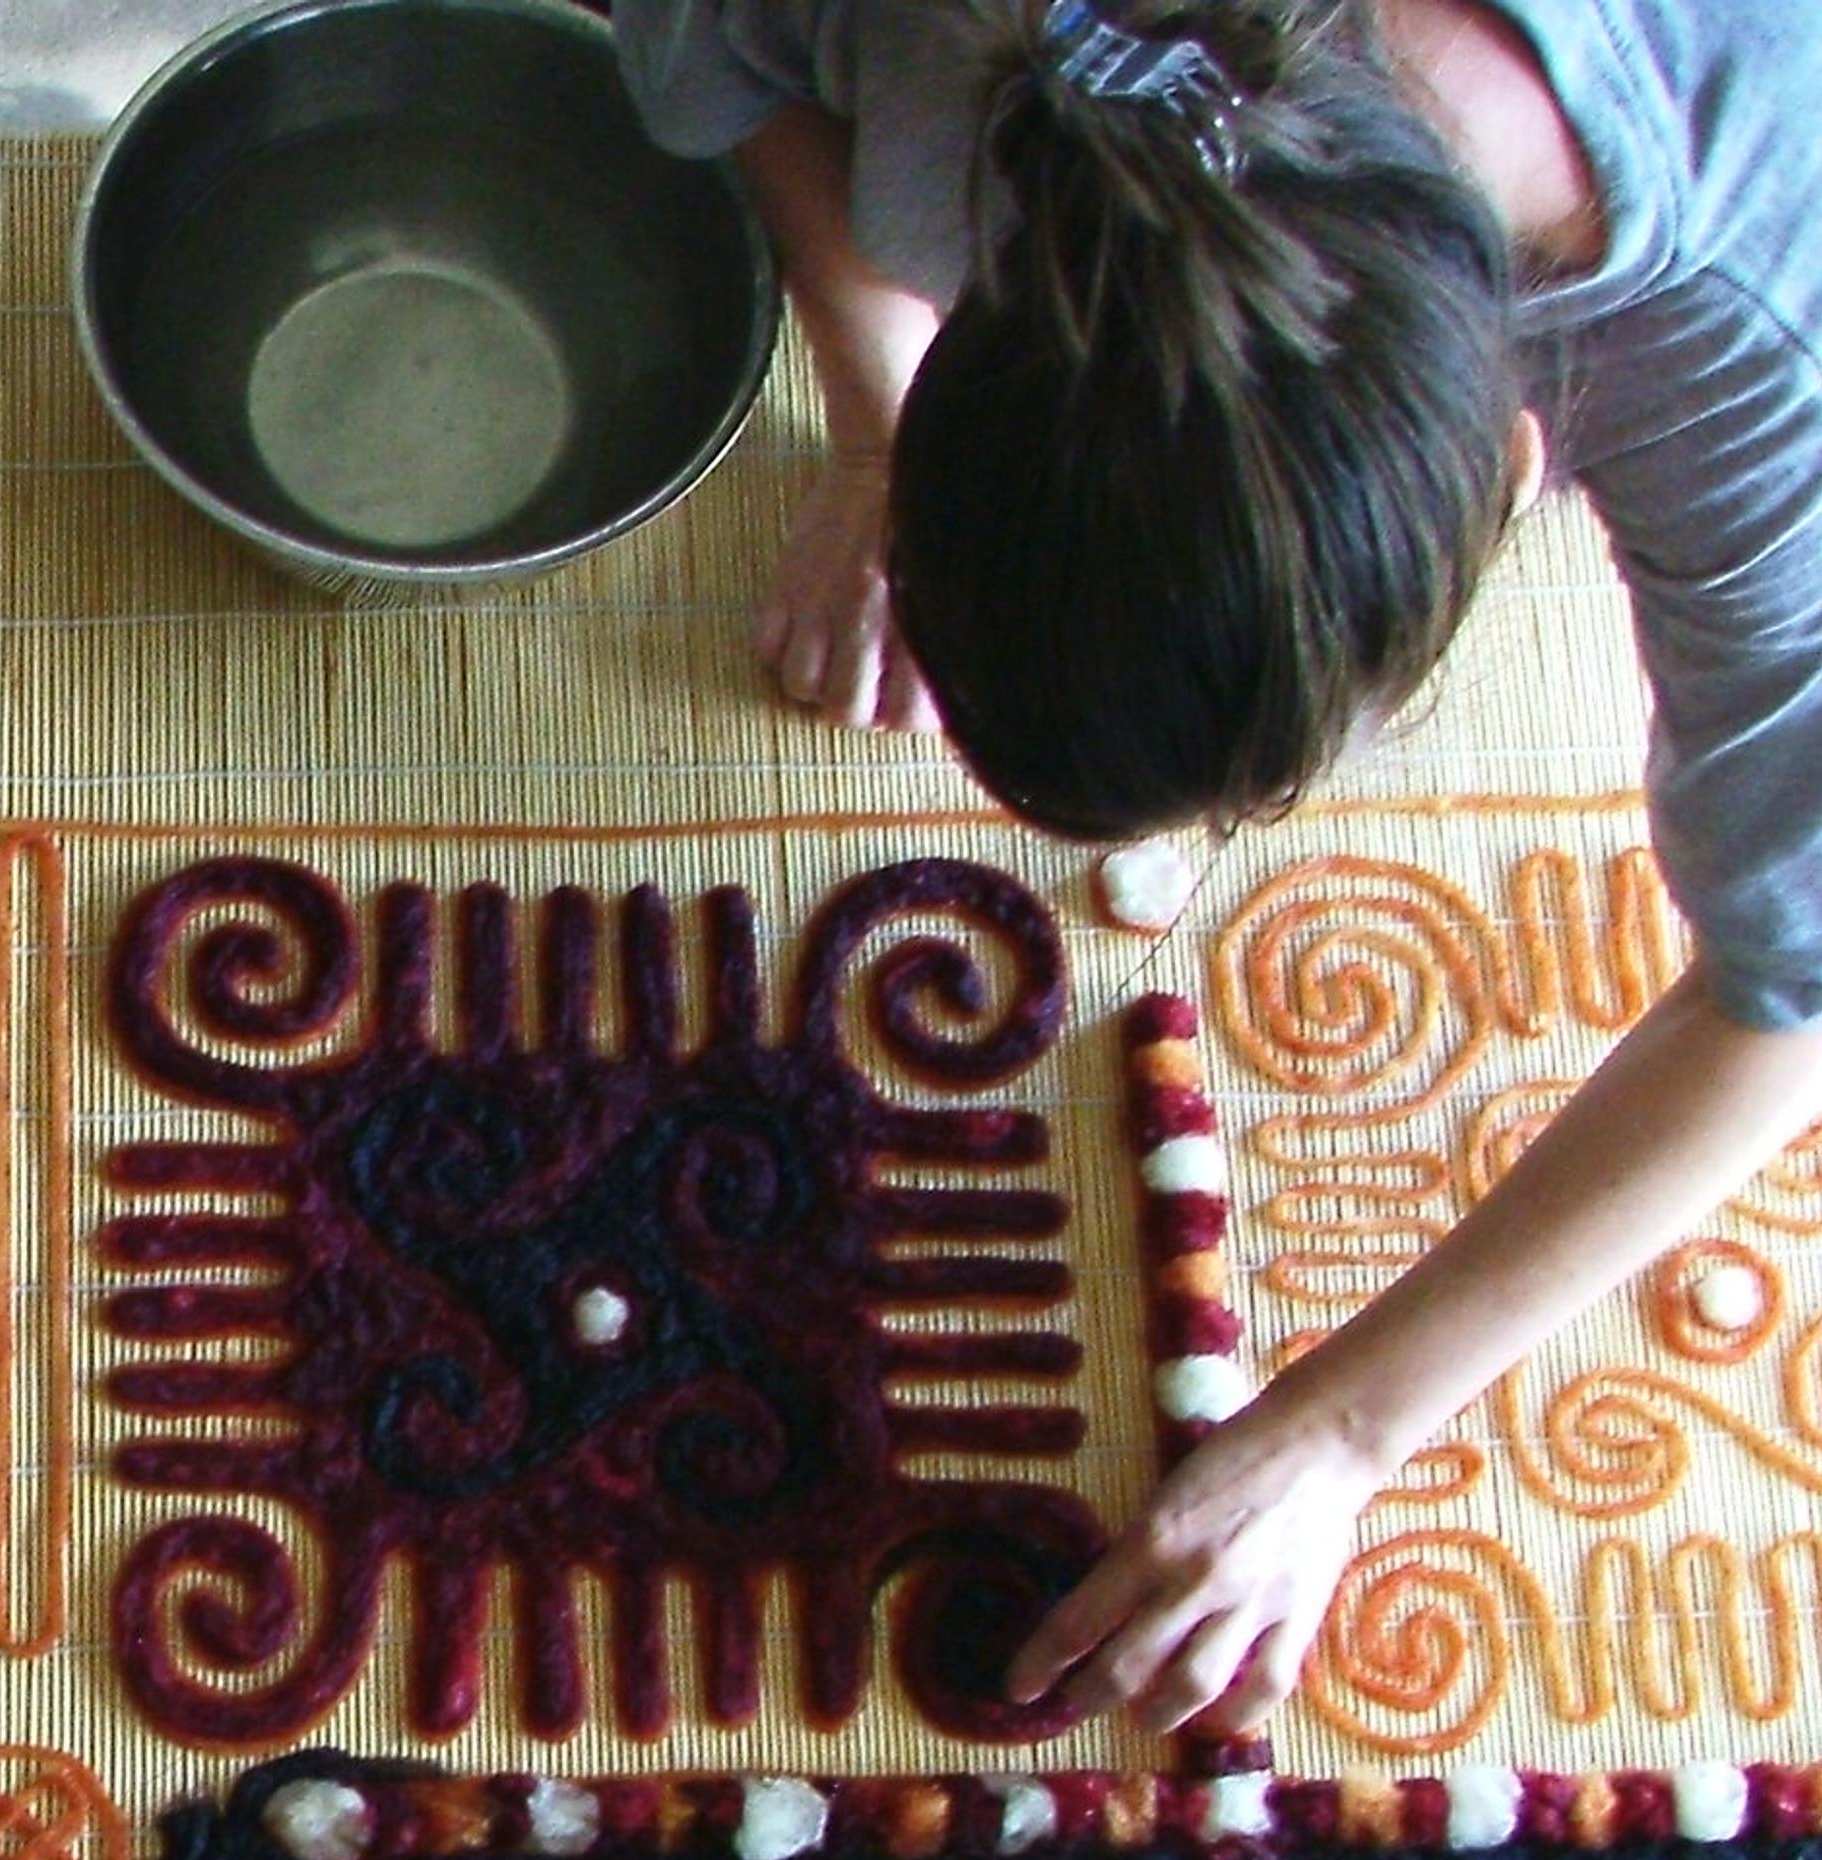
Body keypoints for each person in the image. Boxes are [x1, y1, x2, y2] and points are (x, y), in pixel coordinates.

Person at [613, 0, 1822, 1738]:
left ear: (1515, 455)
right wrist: (876, 423)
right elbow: (712, 32)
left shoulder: (1761, 335)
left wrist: (1342, 1430)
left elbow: (1793, 987)